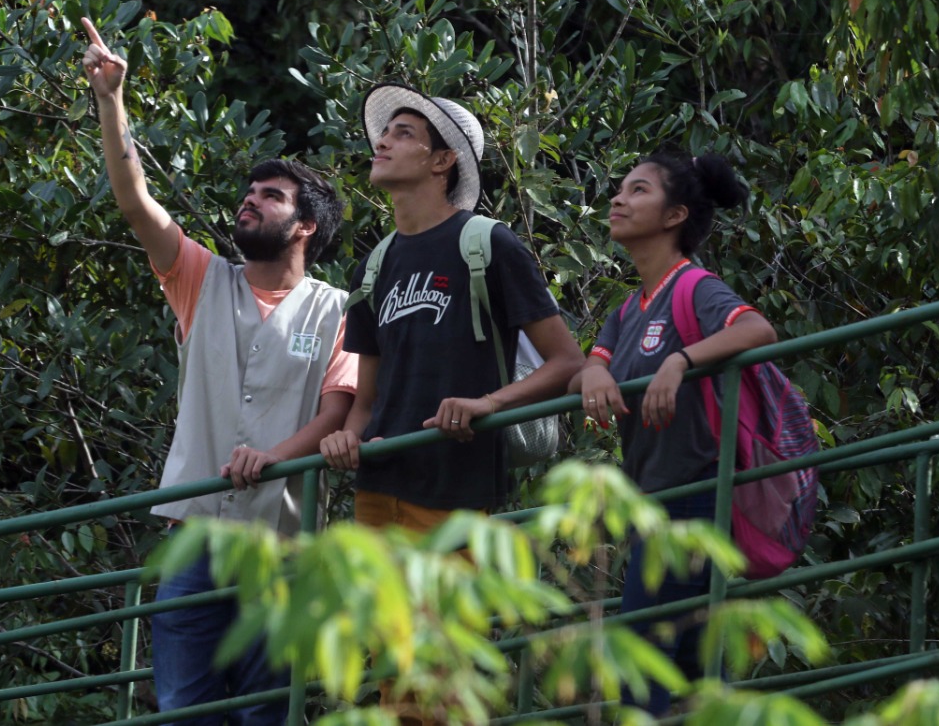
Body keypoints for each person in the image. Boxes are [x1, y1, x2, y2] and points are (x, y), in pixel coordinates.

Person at [81, 17, 357, 725]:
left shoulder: (336, 309)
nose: (251, 200)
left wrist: (271, 457)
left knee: (268, 712)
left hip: (281, 545)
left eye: (271, 196)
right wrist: (111, 101)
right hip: (195, 537)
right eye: (250, 191)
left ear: (304, 228)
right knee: (183, 708)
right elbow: (133, 201)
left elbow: (337, 411)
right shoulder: (202, 277)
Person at [317, 83, 581, 721]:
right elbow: (368, 393)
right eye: (387, 132)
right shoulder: (374, 264)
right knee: (393, 662)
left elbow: (568, 363)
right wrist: (347, 434)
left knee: (437, 664)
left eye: (404, 133)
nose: (382, 141)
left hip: (455, 486)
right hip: (381, 482)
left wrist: (490, 402)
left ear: (443, 162)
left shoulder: (488, 245)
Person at [568, 150, 778, 716]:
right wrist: (592, 370)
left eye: (637, 190)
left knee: (641, 657)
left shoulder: (695, 288)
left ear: (674, 216)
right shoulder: (628, 307)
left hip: (696, 495)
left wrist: (681, 360)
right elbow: (593, 361)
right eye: (620, 188)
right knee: (680, 672)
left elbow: (758, 330)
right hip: (651, 504)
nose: (618, 198)